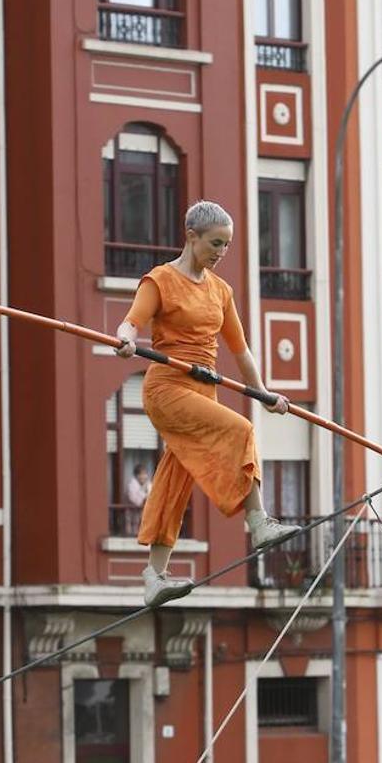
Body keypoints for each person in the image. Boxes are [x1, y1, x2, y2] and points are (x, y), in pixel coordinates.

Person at [116, 200, 299, 606]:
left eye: (227, 246)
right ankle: (259, 521)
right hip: (167, 389)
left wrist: (264, 392)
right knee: (242, 429)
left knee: (175, 479)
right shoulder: (160, 280)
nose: (221, 252)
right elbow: (132, 320)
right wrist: (127, 339)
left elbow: (241, 351)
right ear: (191, 236)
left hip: (204, 389)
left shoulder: (220, 291)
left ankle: (154, 575)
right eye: (215, 243)